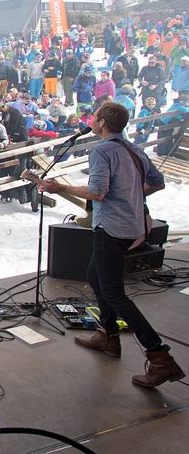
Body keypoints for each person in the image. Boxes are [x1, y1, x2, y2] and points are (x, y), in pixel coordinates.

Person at [41, 102, 184, 388]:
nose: (91, 121)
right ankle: (109, 338)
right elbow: (158, 182)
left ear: (103, 122)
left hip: (112, 229)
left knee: (115, 294)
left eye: (94, 117)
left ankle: (160, 358)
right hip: (132, 228)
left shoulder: (102, 150)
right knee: (95, 276)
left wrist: (61, 187)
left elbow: (97, 192)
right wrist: (130, 195)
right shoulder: (134, 149)